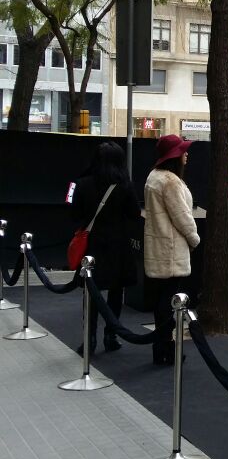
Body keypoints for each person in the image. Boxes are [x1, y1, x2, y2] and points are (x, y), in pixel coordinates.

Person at [69, 142, 140, 355]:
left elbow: (74, 214)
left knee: (91, 291)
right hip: (118, 244)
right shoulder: (125, 185)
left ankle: (89, 338)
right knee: (116, 291)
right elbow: (135, 213)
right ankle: (112, 335)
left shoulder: (82, 183)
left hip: (92, 244)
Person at [144, 135, 200, 366]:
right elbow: (182, 217)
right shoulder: (170, 182)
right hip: (171, 250)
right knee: (169, 303)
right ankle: (166, 348)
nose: (186, 154)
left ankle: (161, 348)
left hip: (158, 247)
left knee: (161, 301)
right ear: (174, 156)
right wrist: (194, 239)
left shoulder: (153, 177)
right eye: (183, 151)